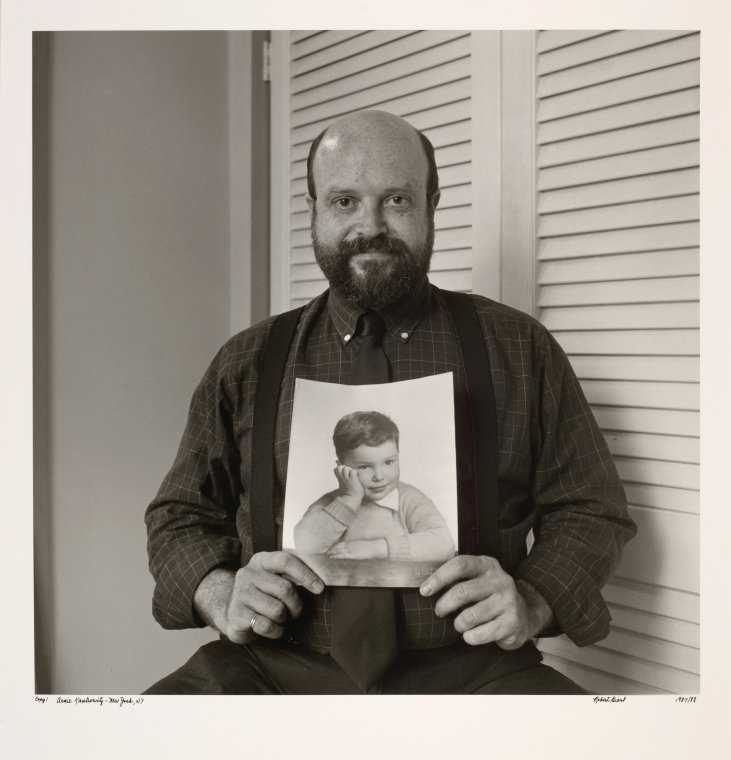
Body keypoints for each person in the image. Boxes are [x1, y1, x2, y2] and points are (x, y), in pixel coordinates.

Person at [144, 109, 636, 694]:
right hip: (272, 667)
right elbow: (179, 515)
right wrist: (220, 592)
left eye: (397, 200)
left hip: (474, 670)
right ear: (314, 211)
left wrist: (534, 598)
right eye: (344, 201)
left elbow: (590, 507)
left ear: (431, 206)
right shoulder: (246, 361)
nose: (370, 226)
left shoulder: (519, 346)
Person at [293, 411, 455, 562]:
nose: (379, 476)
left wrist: (378, 548)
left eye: (388, 462)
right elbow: (304, 545)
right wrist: (349, 500)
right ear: (341, 468)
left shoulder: (409, 499)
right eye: (365, 467)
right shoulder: (331, 504)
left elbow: (444, 544)